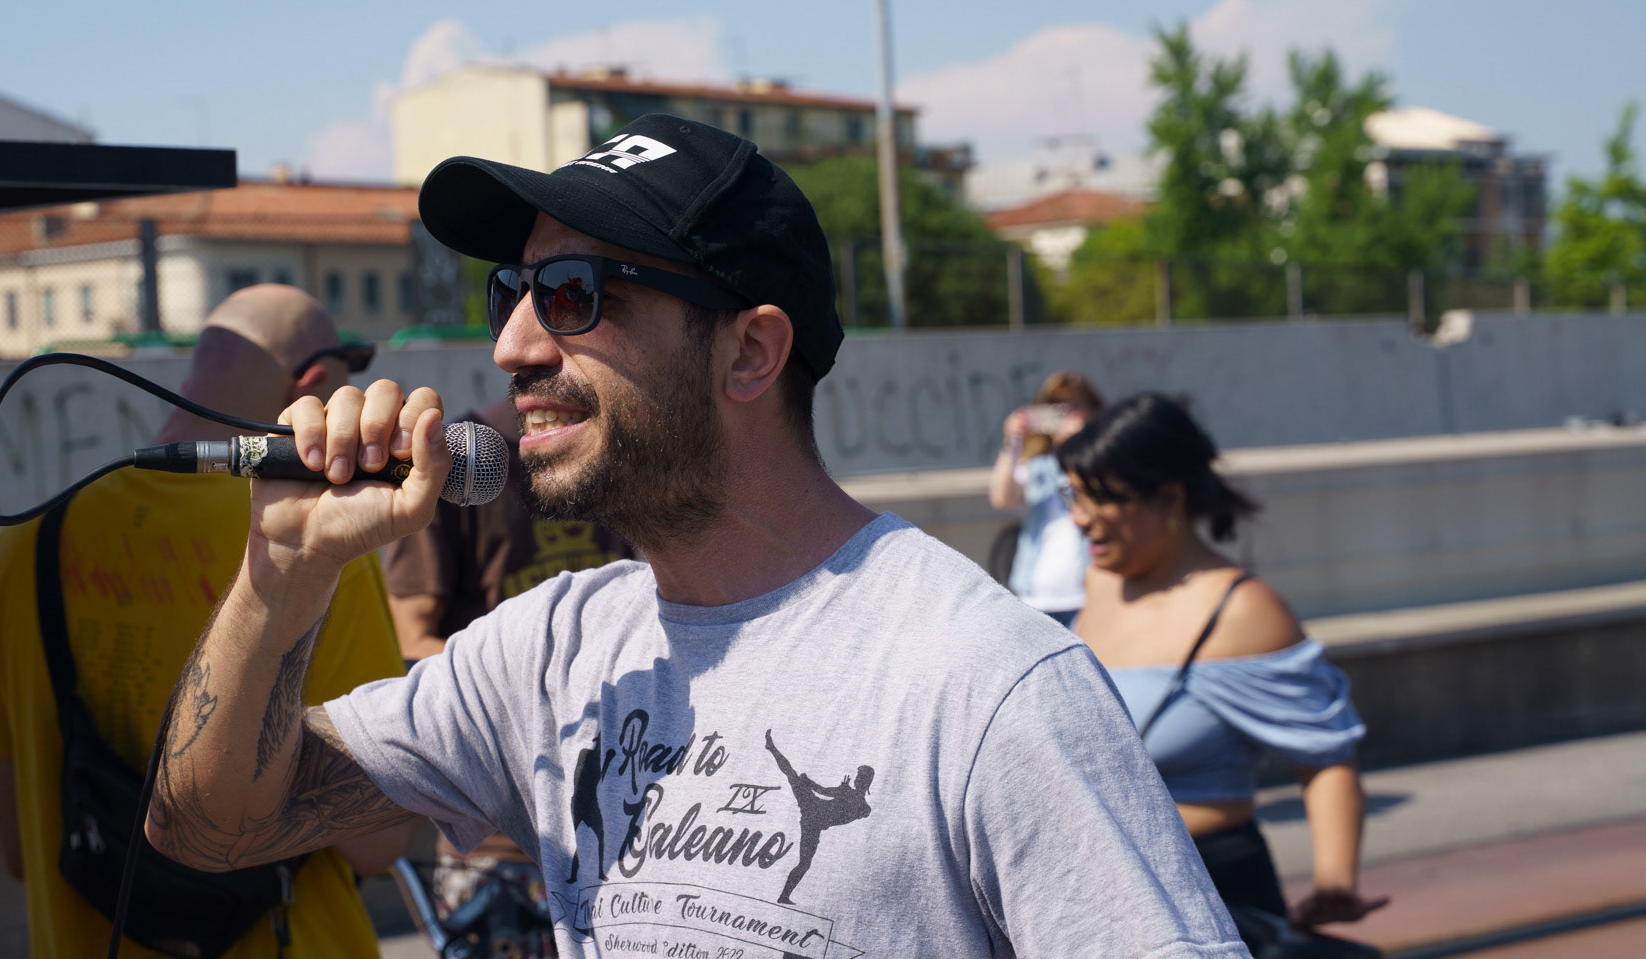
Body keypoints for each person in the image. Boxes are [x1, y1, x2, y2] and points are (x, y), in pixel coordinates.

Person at [143, 115, 1249, 957]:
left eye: (573, 293)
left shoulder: (985, 683)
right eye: (511, 291)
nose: (515, 345)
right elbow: (208, 830)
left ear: (749, 353)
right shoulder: (554, 650)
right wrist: (281, 576)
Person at [0, 284, 411, 959]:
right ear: (314, 382)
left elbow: (16, 848)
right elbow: (377, 843)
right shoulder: (315, 543)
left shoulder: (24, 547)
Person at [1057, 393, 1388, 944]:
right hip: (1097, 893)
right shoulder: (1098, 585)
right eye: (1072, 494)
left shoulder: (1243, 612)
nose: (1079, 518)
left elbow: (1325, 757)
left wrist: (1334, 880)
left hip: (1210, 892)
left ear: (1169, 498)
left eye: (1101, 498)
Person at [380, 395, 635, 924]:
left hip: (619, 823)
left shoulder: (619, 451)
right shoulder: (461, 460)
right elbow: (410, 639)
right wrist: (550, 687)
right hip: (501, 846)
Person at [988, 370, 1104, 625]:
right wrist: (1013, 442)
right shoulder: (1037, 467)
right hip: (1036, 598)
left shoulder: (1103, 463)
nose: (1066, 417)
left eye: (1074, 408)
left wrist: (1082, 444)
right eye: (1057, 410)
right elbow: (1002, 499)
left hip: (1089, 596)